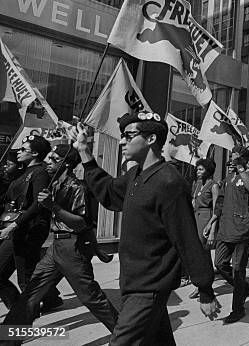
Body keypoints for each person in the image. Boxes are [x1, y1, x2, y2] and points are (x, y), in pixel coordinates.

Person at [70, 113, 220, 345]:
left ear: (151, 139)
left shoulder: (169, 182)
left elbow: (186, 239)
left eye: (129, 136)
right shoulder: (135, 175)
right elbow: (108, 192)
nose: (122, 141)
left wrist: (205, 289)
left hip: (149, 287)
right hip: (131, 281)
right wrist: (84, 151)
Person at [2, 144, 118, 335]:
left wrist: (52, 207)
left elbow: (81, 224)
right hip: (56, 247)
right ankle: (8, 338)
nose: (47, 162)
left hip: (72, 248)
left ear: (64, 164)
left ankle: (127, 335)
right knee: (30, 295)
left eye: (52, 158)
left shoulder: (77, 187)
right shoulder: (54, 185)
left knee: (90, 297)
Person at [0, 135, 62, 311]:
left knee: (26, 278)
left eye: (23, 149)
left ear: (34, 153)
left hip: (28, 230)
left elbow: (38, 204)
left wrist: (14, 225)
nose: (18, 152)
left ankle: (21, 319)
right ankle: (42, 301)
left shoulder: (40, 173)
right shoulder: (25, 172)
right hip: (16, 230)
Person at [207, 145, 249, 323]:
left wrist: (242, 169)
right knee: (220, 264)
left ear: (244, 159)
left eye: (236, 158)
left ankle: (238, 309)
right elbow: (219, 204)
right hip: (225, 228)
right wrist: (212, 223)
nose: (232, 160)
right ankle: (244, 288)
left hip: (242, 229)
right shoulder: (227, 179)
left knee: (238, 270)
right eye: (232, 157)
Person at [188, 158, 220, 299]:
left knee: (203, 253)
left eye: (201, 169)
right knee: (197, 253)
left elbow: (216, 209)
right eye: (197, 169)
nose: (198, 171)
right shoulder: (197, 184)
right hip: (195, 218)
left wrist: (212, 231)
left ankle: (204, 286)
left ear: (208, 170)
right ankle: (201, 284)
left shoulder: (214, 186)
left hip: (206, 219)